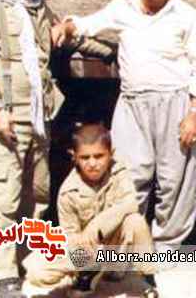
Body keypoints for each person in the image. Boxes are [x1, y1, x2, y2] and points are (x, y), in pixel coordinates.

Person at [53, 0, 196, 254]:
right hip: (133, 104)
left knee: (174, 179)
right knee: (130, 174)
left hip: (175, 104)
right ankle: (125, 244)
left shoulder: (186, 15)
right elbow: (87, 24)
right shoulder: (122, 7)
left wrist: (195, 113)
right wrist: (66, 27)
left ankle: (166, 245)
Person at [0, 0, 114, 289]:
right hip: (8, 118)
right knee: (2, 198)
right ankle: (0, 273)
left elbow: (68, 40)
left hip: (39, 119)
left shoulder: (41, 9)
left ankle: (25, 261)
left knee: (36, 194)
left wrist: (115, 49)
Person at [22, 123, 158, 297]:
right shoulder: (68, 192)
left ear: (111, 154)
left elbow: (131, 203)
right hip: (88, 253)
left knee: (135, 221)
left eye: (99, 156)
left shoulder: (119, 173)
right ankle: (86, 276)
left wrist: (96, 226)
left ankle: (147, 279)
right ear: (74, 157)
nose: (92, 163)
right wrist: (83, 256)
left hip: (115, 248)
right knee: (37, 272)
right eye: (85, 157)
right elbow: (70, 235)